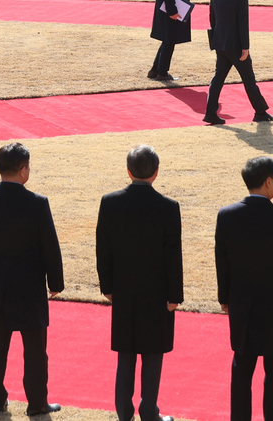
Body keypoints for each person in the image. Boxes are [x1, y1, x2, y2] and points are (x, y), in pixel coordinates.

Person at [0, 142, 64, 416]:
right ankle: (37, 403)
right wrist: (55, 283)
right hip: (30, 287)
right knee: (35, 351)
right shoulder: (37, 202)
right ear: (24, 170)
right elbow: (50, 246)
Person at [215, 156, 273, 421]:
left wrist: (225, 298)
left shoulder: (227, 216)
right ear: (268, 182)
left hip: (243, 306)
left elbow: (221, 261)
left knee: (242, 369)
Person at [97, 145, 182, 421]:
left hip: (123, 292)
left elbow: (103, 249)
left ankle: (124, 412)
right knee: (153, 355)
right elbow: (173, 254)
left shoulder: (109, 202)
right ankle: (149, 411)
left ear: (128, 171)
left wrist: (107, 287)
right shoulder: (168, 207)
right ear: (156, 173)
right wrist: (175, 295)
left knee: (126, 355)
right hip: (158, 294)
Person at [204, 0, 273, 125]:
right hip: (235, 45)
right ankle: (260, 111)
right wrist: (245, 47)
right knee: (248, 79)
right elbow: (243, 24)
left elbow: (212, 20)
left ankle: (210, 112)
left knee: (218, 79)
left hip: (220, 43)